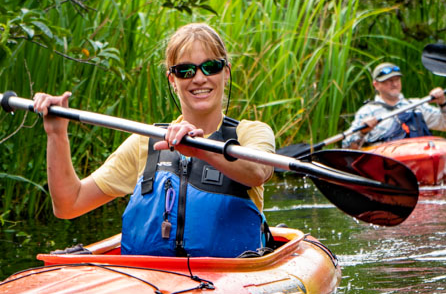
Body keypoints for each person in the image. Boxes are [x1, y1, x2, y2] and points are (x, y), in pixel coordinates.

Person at [31, 23, 275, 258]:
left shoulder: (250, 133)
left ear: (226, 72)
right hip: (153, 280)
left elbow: (257, 172)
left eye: (210, 67)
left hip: (231, 279)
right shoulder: (145, 143)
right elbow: (68, 204)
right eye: (186, 71)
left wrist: (200, 151)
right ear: (173, 80)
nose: (199, 78)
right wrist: (57, 134)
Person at [343, 61, 446, 149]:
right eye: (388, 80)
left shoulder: (416, 106)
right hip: (387, 162)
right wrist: (362, 132)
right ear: (376, 85)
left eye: (397, 79)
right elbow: (348, 146)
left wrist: (443, 103)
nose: (394, 84)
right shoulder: (367, 112)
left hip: (420, 154)